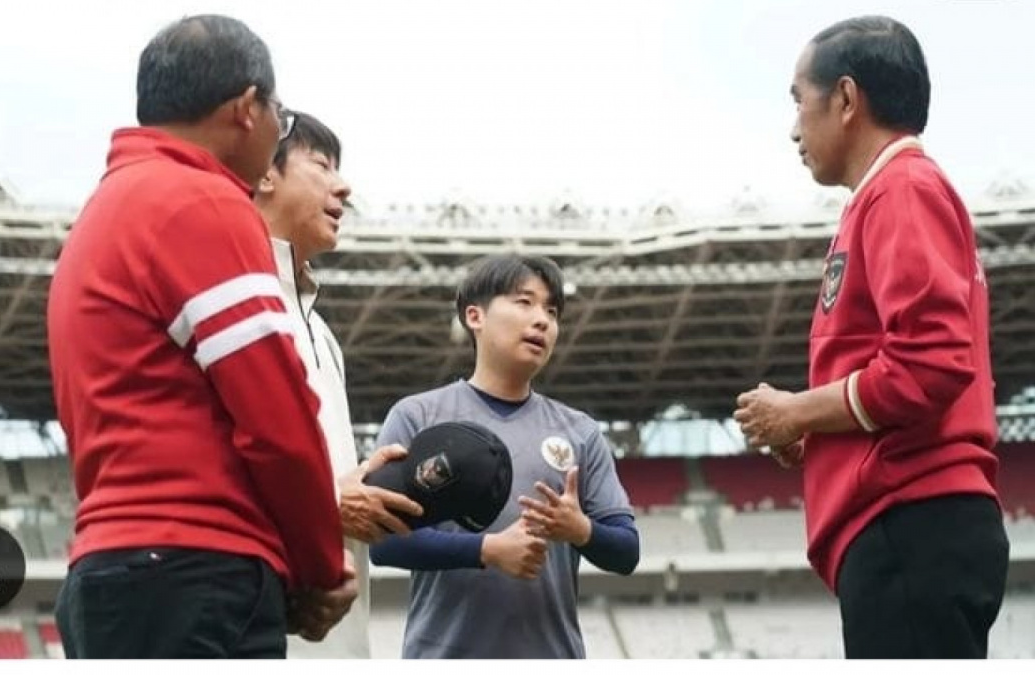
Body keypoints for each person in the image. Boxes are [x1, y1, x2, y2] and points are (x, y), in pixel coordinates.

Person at [48, 15, 354, 658]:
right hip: (197, 570)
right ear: (247, 109)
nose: (277, 127)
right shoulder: (204, 203)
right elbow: (276, 418)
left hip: (112, 566)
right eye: (280, 111)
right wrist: (321, 569)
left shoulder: (103, 214)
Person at [733, 15, 1009, 659]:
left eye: (799, 100)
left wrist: (799, 408)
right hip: (909, 523)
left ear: (847, 99)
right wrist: (818, 428)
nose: (794, 126)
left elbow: (931, 364)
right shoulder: (889, 195)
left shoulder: (902, 189)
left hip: (910, 518)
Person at [369, 254, 640, 659]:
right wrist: (488, 550)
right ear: (475, 316)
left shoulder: (579, 431)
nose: (543, 320)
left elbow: (626, 552)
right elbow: (383, 543)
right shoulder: (418, 416)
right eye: (524, 302)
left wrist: (580, 528)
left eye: (552, 310)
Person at [252, 111, 424, 658]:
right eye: (322, 165)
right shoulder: (233, 305)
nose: (343, 185)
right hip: (258, 624)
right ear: (264, 175)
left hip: (340, 637)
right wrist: (327, 502)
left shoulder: (323, 333)